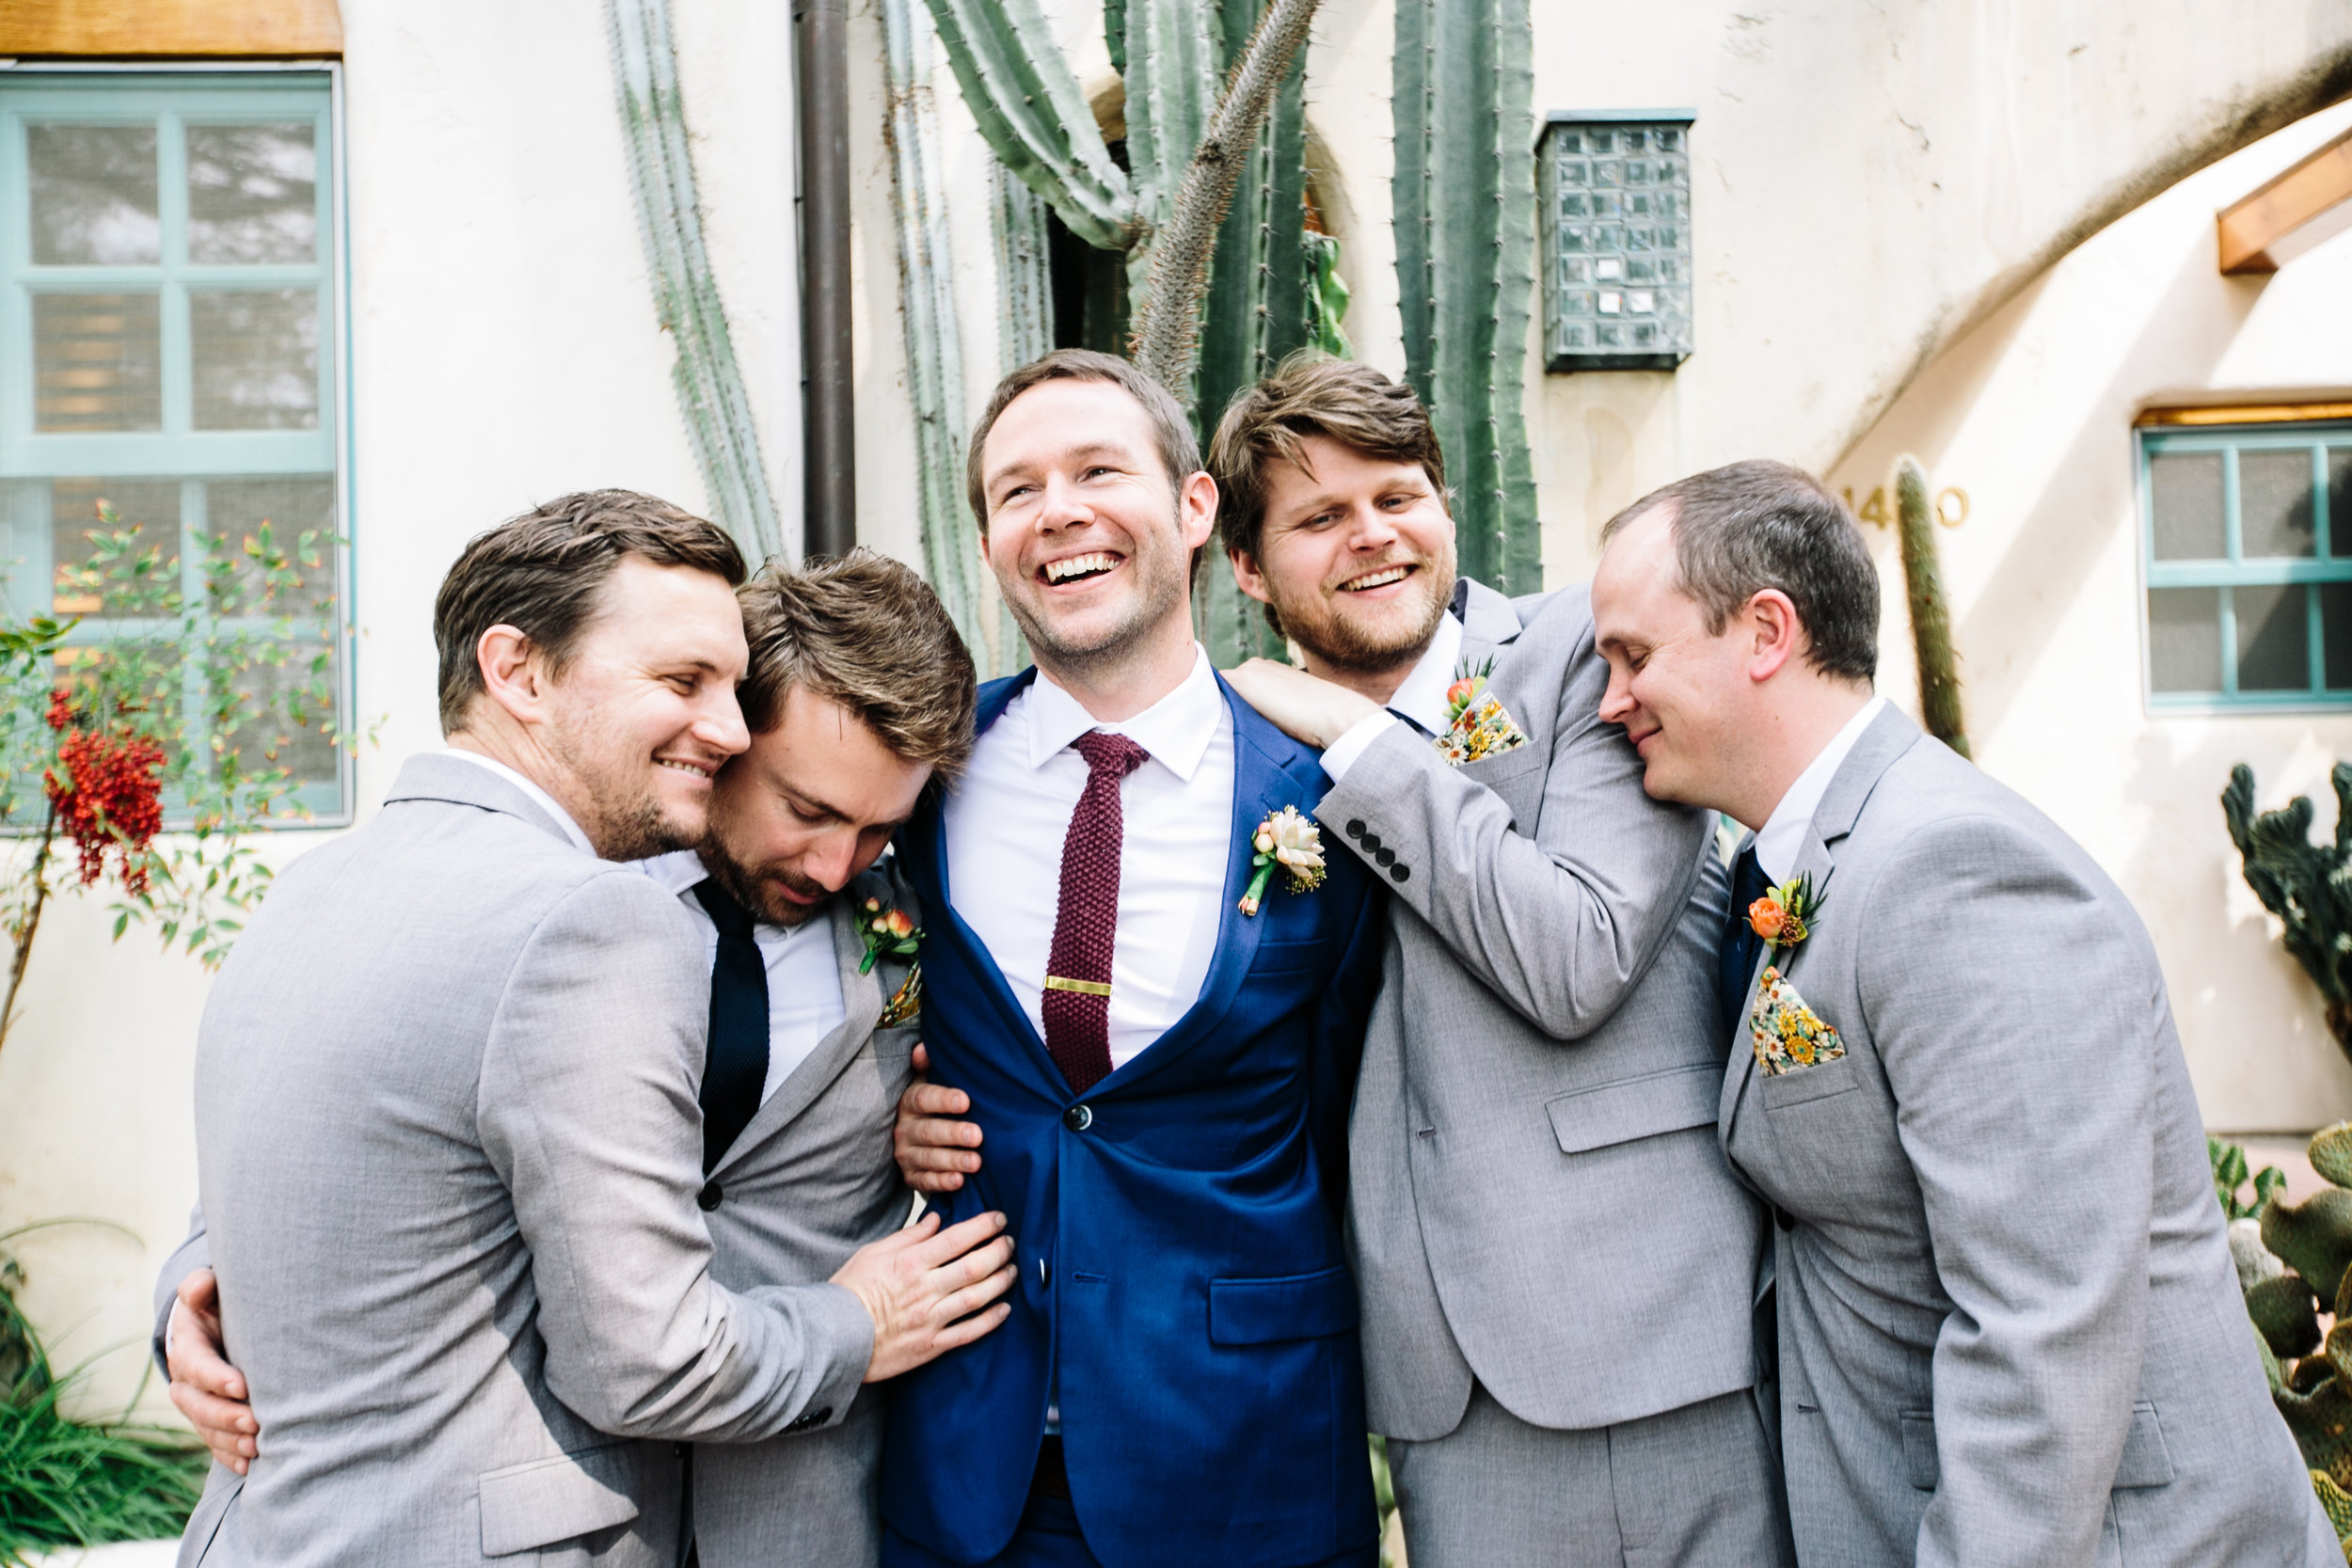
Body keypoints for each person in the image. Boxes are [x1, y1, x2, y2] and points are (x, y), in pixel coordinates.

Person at [153, 493, 1014, 1567]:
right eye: (805, 807)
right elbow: (301, 1139)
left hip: (790, 1516)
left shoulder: (911, 920)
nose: (838, 863)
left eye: (878, 827)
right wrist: (194, 1295)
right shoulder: (574, 905)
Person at [1586, 459, 2338, 1567]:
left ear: (1763, 631)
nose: (1609, 701)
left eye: (1633, 657)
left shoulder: (1956, 871)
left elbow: (2043, 1329)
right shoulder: (1798, 860)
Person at [1207, 356, 1786, 1565]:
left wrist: (1359, 740)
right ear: (1250, 568)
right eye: (1321, 517)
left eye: (1399, 496)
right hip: (1430, 1373)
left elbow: (1579, 954)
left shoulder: (1591, 655)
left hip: (1637, 1332)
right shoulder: (1234, 745)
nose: (1373, 536)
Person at [877, 349, 1388, 1568]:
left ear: (1195, 508)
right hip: (969, 1472)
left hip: (1245, 1456)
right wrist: (879, 1110)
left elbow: (1368, 1089)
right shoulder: (918, 781)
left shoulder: (1326, 792)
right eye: (1017, 490)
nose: (1058, 509)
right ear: (993, 539)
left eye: (1099, 470)